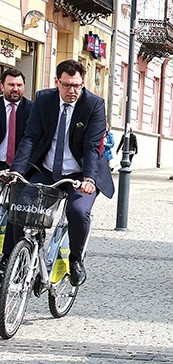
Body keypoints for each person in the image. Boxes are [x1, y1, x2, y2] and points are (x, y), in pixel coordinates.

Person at [1, 60, 115, 285]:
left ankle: (75, 259)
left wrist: (89, 179)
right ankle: (15, 260)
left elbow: (92, 147)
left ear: (83, 83)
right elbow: (31, 138)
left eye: (77, 85)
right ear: (57, 82)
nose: (72, 91)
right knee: (20, 205)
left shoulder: (94, 104)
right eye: (66, 85)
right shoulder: (44, 100)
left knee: (77, 211)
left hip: (80, 174)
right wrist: (17, 172)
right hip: (46, 169)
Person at [0, 68, 33, 170]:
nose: (15, 89)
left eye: (19, 85)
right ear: (2, 87)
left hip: (22, 167)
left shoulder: (33, 109)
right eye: (11, 85)